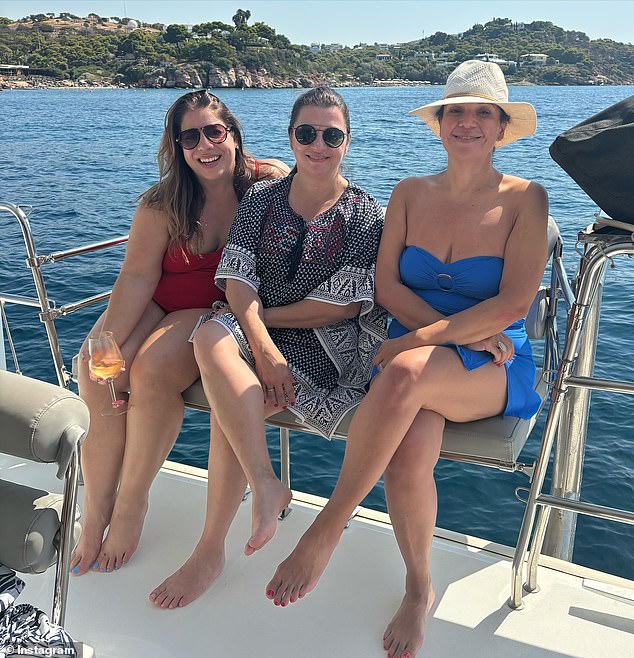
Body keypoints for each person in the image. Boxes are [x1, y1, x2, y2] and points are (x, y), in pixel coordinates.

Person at [266, 60, 549, 658]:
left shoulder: (527, 200)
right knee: (406, 456)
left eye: (482, 113)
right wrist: (437, 335)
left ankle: (326, 529)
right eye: (456, 111)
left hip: (491, 362)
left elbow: (515, 303)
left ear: (500, 127)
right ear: (440, 122)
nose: (467, 122)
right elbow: (388, 289)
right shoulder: (409, 193)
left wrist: (416, 343)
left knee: (401, 371)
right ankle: (420, 588)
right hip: (430, 352)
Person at [148, 86, 387, 609]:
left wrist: (260, 333)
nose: (318, 145)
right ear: (291, 137)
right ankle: (263, 484)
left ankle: (211, 549)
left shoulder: (366, 214)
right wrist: (260, 344)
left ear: (347, 141)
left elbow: (342, 306)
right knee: (211, 338)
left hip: (321, 347)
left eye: (331, 135)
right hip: (257, 331)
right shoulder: (262, 199)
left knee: (228, 391)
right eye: (307, 133)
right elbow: (236, 278)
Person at [70, 90, 289, 576]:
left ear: (232, 132)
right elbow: (137, 277)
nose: (204, 144)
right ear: (177, 146)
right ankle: (96, 511)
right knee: (96, 371)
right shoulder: (163, 202)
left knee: (150, 370)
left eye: (214, 131)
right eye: (190, 136)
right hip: (160, 299)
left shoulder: (267, 182)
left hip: (212, 307)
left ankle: (131, 508)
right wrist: (107, 335)